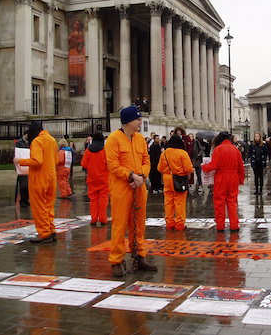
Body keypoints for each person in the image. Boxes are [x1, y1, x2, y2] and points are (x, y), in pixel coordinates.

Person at [105, 106, 157, 277]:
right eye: (137, 119)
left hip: (139, 186)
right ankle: (116, 260)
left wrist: (141, 175)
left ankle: (139, 255)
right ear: (128, 121)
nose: (140, 122)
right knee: (119, 225)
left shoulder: (140, 139)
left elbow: (146, 160)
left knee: (139, 224)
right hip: (122, 187)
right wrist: (130, 176)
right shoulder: (114, 139)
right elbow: (112, 164)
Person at [14, 121, 58, 243]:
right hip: (51, 176)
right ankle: (51, 229)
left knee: (39, 207)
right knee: (49, 206)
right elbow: (56, 159)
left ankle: (44, 233)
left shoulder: (37, 141)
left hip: (39, 178)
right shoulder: (52, 140)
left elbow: (36, 161)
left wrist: (20, 161)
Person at [202, 132, 245, 232]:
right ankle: (234, 225)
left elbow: (213, 166)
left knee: (219, 201)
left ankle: (220, 225)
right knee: (232, 201)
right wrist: (241, 179)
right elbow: (240, 167)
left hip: (221, 177)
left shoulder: (218, 149)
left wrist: (204, 167)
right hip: (233, 177)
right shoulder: (235, 150)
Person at [158, 135, 194, 230]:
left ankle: (169, 223)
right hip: (179, 179)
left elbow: (159, 168)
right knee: (179, 202)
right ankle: (180, 224)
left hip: (167, 179)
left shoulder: (164, 153)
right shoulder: (182, 153)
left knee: (168, 201)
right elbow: (188, 169)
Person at [81, 132, 109, 227]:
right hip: (103, 179)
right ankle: (102, 219)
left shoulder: (88, 150)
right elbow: (109, 164)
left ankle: (93, 218)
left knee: (93, 200)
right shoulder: (105, 150)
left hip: (92, 179)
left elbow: (84, 164)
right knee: (103, 199)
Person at [15, 131, 30, 207]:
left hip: (28, 165)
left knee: (28, 185)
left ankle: (26, 199)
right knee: (23, 185)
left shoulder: (30, 142)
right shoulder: (19, 143)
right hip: (22, 166)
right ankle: (23, 200)